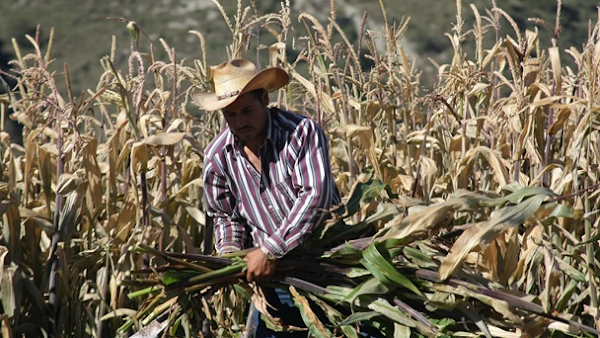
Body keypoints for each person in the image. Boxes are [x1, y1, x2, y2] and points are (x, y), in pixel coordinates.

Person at [192, 58, 341, 337]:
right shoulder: (218, 156)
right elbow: (225, 216)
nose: (240, 122)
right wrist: (231, 255)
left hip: (328, 266)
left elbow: (314, 196)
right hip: (272, 278)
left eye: (247, 111)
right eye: (230, 115)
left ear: (264, 98)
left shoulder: (300, 133)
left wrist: (270, 249)